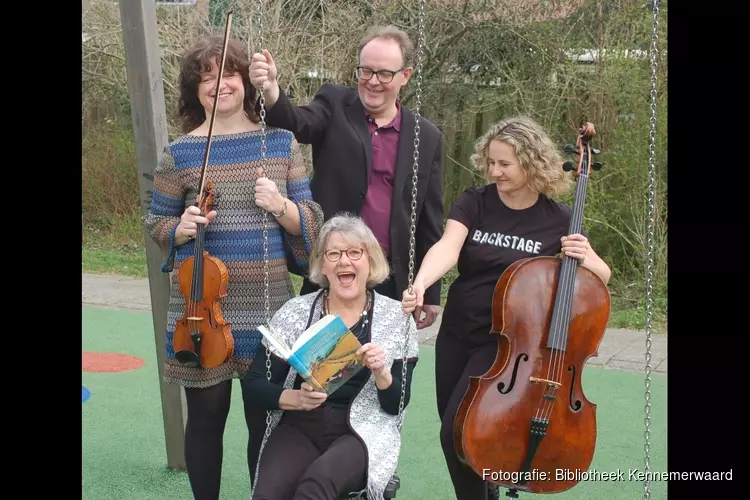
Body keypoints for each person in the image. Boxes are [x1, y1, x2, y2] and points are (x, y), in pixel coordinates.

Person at [142, 35, 324, 500]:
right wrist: (179, 227)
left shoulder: (281, 143)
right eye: (205, 78)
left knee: (264, 421)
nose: (218, 85)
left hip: (268, 307)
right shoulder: (181, 153)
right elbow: (156, 221)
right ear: (193, 91)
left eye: (226, 74)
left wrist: (281, 206)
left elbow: (310, 224)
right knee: (205, 418)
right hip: (200, 309)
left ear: (245, 81)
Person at [401, 116, 612, 500]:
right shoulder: (474, 203)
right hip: (459, 333)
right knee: (463, 434)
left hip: (510, 347)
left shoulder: (560, 220)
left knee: (455, 432)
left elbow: (601, 276)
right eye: (491, 162)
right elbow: (448, 246)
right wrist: (421, 282)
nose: (494, 172)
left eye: (504, 164)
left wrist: (586, 257)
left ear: (531, 164)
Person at [248, 24, 444, 329]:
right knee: (318, 368)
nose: (373, 82)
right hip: (331, 270)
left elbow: (429, 221)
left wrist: (430, 291)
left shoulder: (426, 136)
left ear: (405, 75)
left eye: (384, 74)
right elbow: (299, 122)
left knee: (386, 370)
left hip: (390, 280)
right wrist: (272, 90)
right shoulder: (335, 103)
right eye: (365, 71)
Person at [242, 213, 419, 500]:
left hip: (361, 431)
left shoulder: (396, 320)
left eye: (354, 253)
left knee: (315, 487)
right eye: (333, 253)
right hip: (301, 424)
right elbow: (254, 384)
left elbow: (395, 406)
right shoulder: (296, 312)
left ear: (371, 261)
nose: (344, 261)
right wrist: (295, 399)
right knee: (267, 495)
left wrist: (383, 374)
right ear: (323, 265)